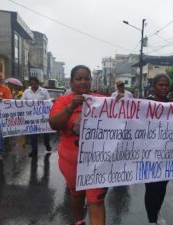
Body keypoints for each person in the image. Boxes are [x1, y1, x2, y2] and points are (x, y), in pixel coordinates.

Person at [49, 65, 107, 225]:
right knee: (76, 194)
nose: (83, 82)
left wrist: (121, 104)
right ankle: (79, 220)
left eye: (86, 78)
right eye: (79, 78)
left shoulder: (101, 101)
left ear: (91, 81)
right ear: (71, 82)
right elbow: (54, 124)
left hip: (97, 162)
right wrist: (71, 107)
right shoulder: (64, 100)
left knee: (96, 200)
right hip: (71, 162)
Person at [145, 73, 171, 225]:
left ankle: (156, 211)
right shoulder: (144, 103)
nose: (164, 87)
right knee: (151, 188)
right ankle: (152, 220)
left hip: (166, 154)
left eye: (166, 85)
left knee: (162, 187)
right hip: (148, 154)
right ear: (154, 86)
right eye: (161, 84)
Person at [21, 77, 52, 157]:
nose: (33, 85)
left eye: (35, 83)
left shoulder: (44, 91)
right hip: (31, 118)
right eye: (31, 84)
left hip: (43, 117)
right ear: (29, 84)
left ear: (38, 83)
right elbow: (21, 103)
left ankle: (47, 143)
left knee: (46, 134)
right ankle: (34, 150)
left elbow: (48, 102)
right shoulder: (26, 92)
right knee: (33, 135)